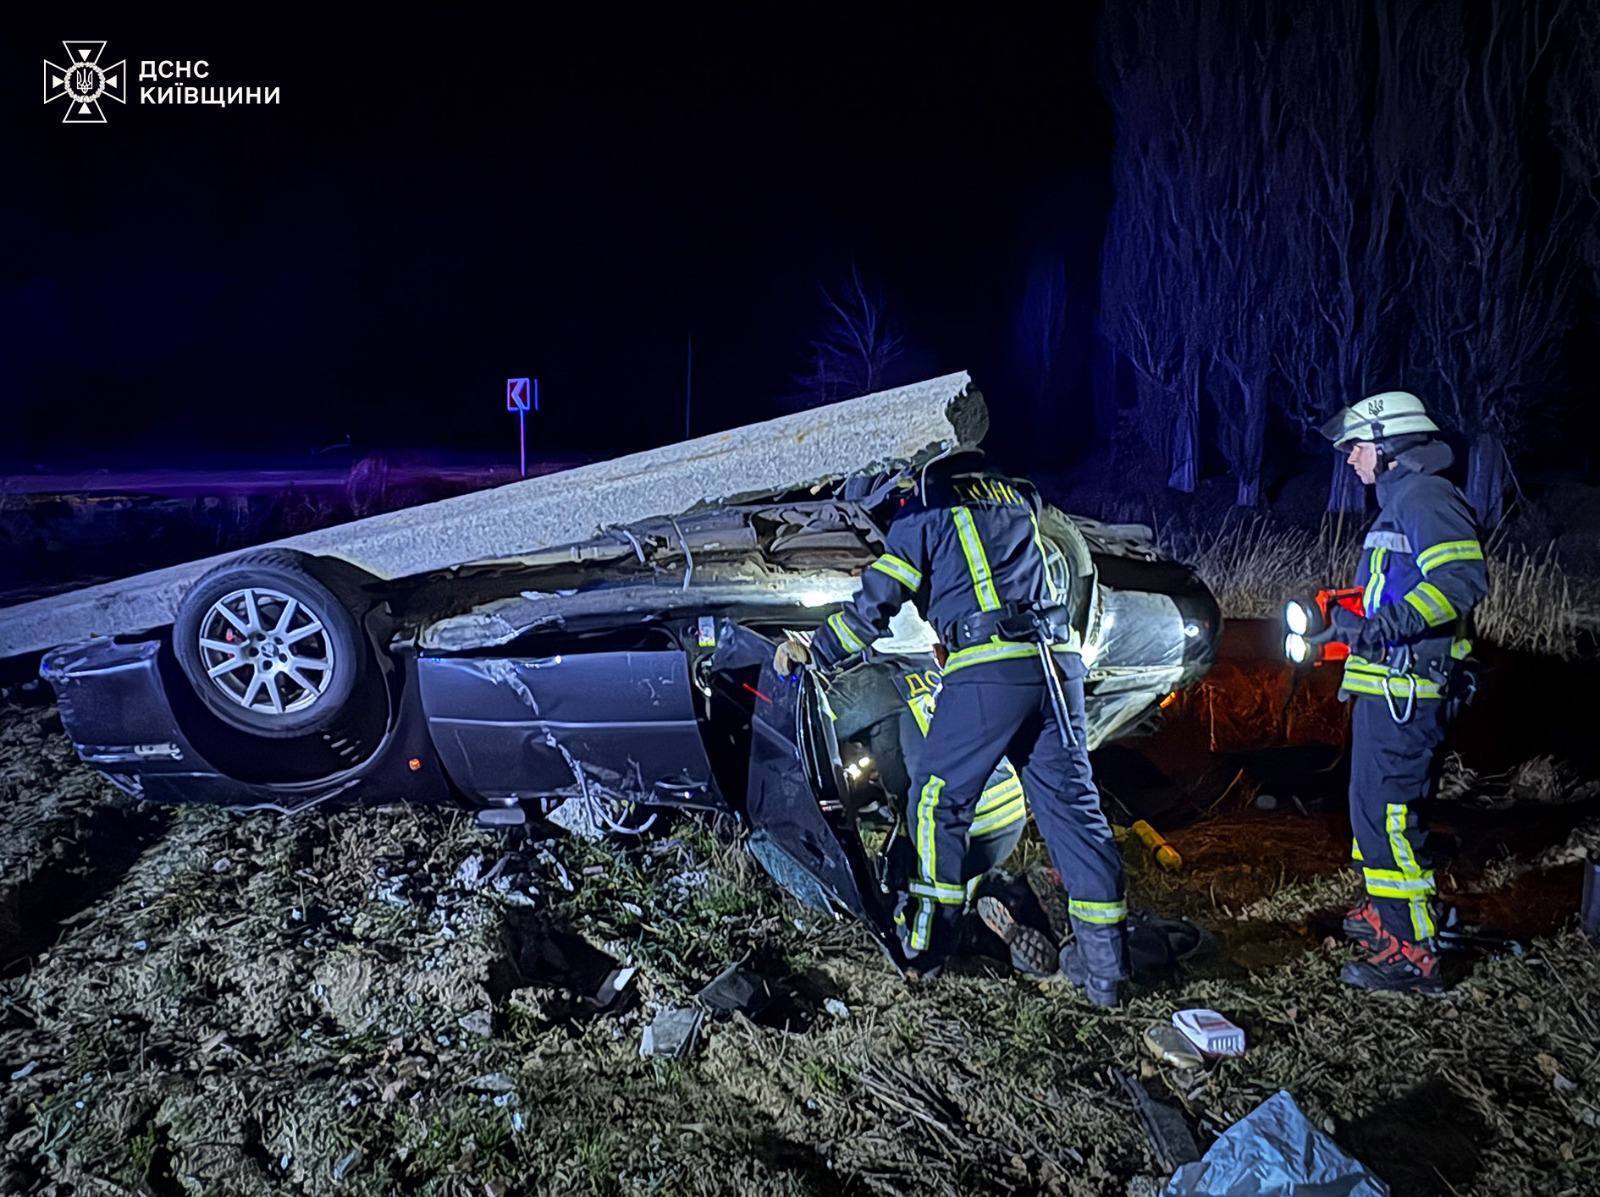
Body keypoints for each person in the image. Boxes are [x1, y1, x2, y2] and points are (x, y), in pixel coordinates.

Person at [773, 452, 1128, 1004]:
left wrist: (815, 651)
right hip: (1058, 662)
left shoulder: (921, 512)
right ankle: (1106, 970)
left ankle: (927, 947)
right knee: (1074, 808)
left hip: (992, 667)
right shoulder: (1012, 494)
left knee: (937, 803)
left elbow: (877, 602)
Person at [1316, 391, 1488, 993]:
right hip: (1389, 690)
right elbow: (1399, 592)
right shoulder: (1400, 503)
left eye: (1357, 446)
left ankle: (1413, 951)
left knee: (1389, 817)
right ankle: (1383, 916)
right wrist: (1347, 622)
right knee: (1370, 810)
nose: (1350, 459)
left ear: (1388, 447)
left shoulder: (1425, 497)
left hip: (1410, 692)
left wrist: (1384, 627)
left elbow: (1460, 581)